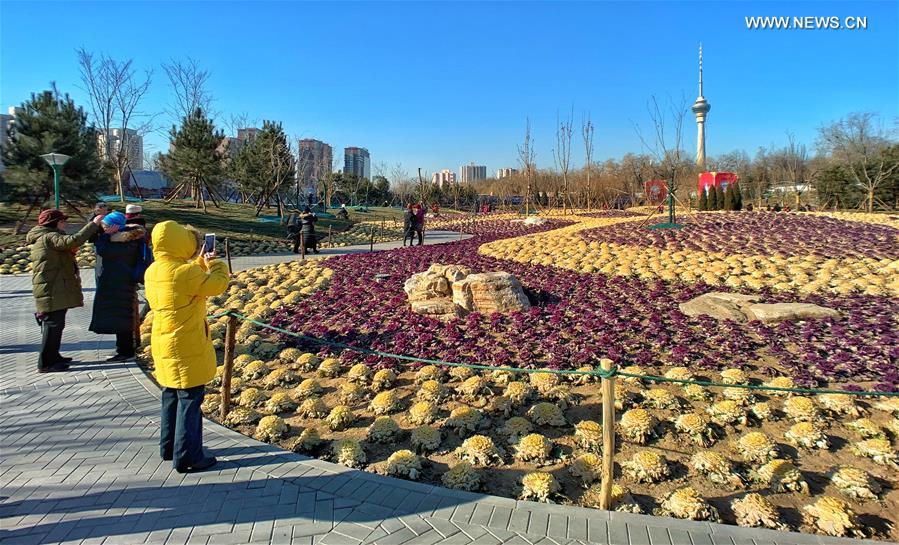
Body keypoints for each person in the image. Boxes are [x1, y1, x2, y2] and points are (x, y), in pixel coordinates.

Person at [144, 221, 229, 473]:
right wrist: (215, 263)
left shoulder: (154, 270)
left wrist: (199, 264)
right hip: (186, 342)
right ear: (180, 243)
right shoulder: (184, 273)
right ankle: (189, 456)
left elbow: (184, 279)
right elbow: (216, 285)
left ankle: (168, 447)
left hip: (163, 340)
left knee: (170, 395)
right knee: (190, 399)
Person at [27, 209, 104, 373]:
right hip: (52, 288)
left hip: (54, 287)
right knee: (53, 324)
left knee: (57, 324)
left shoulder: (46, 236)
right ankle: (46, 362)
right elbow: (73, 240)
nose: (65, 224)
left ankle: (54, 356)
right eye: (62, 221)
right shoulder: (49, 237)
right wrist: (93, 224)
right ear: (54, 223)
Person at [88, 211, 146, 362]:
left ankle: (125, 351)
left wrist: (107, 236)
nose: (104, 229)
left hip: (119, 283)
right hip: (118, 282)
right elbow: (94, 240)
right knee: (120, 316)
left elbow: (101, 249)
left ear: (113, 227)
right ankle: (123, 349)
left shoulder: (124, 241)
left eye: (106, 226)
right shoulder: (125, 238)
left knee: (122, 318)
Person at [88, 202, 109, 281]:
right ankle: (99, 281)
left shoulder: (106, 216)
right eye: (103, 211)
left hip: (105, 240)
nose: (105, 213)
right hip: (98, 241)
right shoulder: (93, 218)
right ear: (97, 210)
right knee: (99, 263)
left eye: (106, 211)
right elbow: (89, 228)